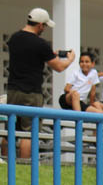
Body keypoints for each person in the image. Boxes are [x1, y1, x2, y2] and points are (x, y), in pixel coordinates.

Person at [2, 8, 75, 161]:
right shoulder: (40, 44)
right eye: (45, 26)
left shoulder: (14, 38)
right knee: (29, 132)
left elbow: (28, 56)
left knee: (10, 130)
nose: (44, 29)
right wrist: (70, 59)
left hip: (13, 90)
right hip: (32, 92)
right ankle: (24, 166)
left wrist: (47, 54)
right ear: (40, 25)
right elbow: (59, 67)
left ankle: (4, 165)